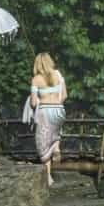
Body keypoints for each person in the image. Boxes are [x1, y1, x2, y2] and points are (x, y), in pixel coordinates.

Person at [29, 52, 66, 187]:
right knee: (54, 135)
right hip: (59, 111)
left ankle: (49, 177)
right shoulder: (58, 75)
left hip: (45, 112)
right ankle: (56, 147)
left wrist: (35, 101)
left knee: (43, 143)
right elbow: (64, 96)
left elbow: (33, 103)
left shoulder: (36, 79)